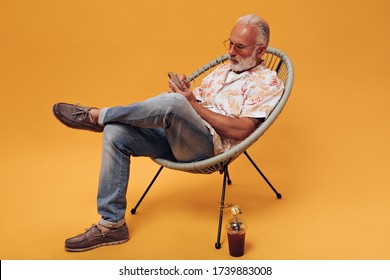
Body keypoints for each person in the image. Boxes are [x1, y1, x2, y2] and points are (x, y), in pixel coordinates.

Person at [53, 14, 284, 252]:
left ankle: (97, 115)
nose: (231, 52)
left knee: (173, 103)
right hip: (178, 135)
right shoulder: (221, 71)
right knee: (115, 132)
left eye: (240, 47)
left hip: (208, 148)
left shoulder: (268, 83)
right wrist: (188, 93)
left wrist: (188, 104)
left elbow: (243, 131)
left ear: (261, 51)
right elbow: (198, 103)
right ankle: (112, 225)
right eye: (230, 43)